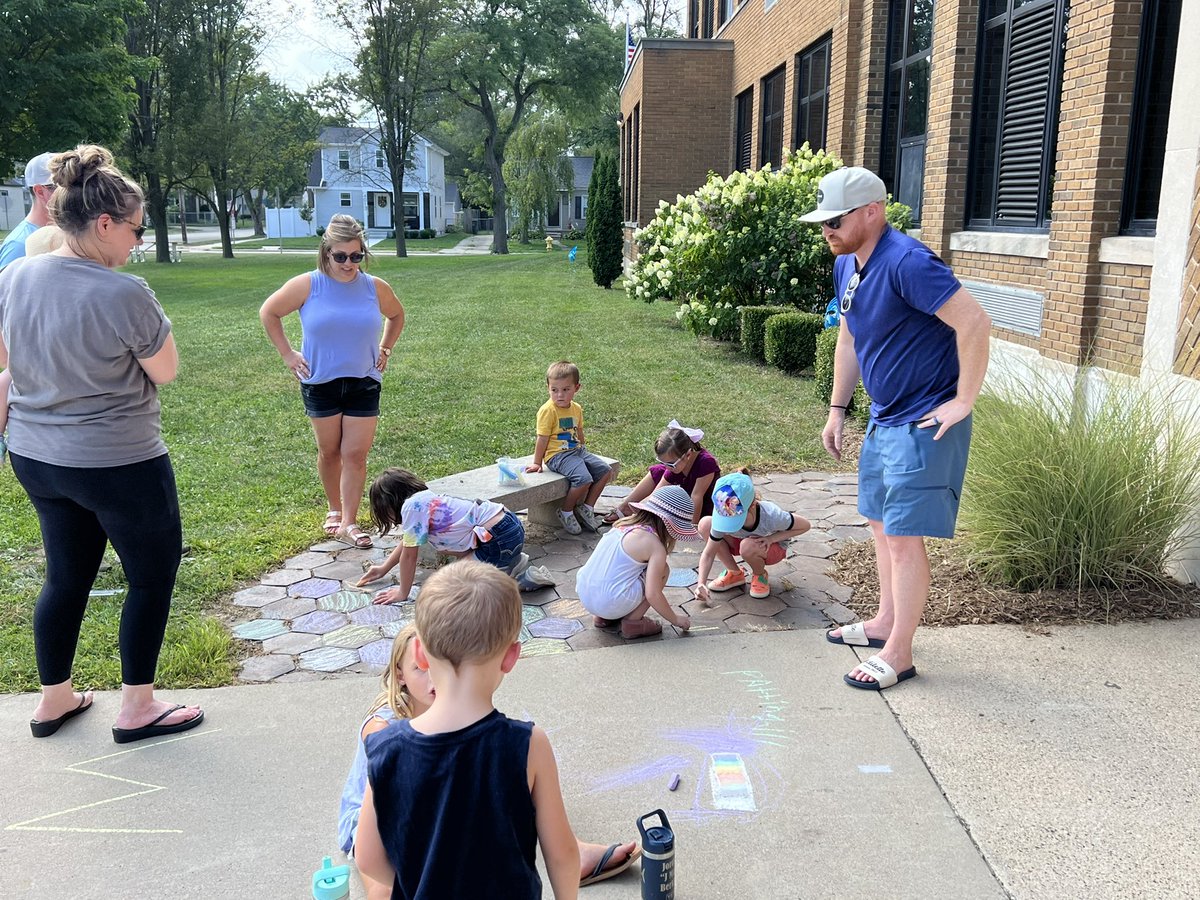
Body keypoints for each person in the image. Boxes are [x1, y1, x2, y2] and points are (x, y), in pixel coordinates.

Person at [0, 145, 203, 741]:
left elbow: (7, 361)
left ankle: (53, 699)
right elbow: (165, 371)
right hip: (118, 462)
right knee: (150, 574)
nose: (139, 242)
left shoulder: (13, 275)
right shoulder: (125, 293)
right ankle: (137, 707)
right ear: (105, 223)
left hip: (37, 458)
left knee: (65, 576)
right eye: (136, 229)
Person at [800, 166, 991, 691]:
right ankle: (884, 622)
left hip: (923, 418)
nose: (827, 230)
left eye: (835, 220)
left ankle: (899, 652)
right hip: (884, 417)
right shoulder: (848, 263)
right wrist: (837, 409)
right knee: (881, 526)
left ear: (872, 211)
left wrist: (963, 402)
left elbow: (973, 322)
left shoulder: (907, 261)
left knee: (904, 538)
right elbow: (850, 339)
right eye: (822, 222)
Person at [337, 624, 641, 899]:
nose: (432, 680)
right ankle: (568, 852)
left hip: (428, 804)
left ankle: (574, 850)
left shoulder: (458, 719)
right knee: (383, 892)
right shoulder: (383, 731)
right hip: (378, 816)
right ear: (402, 673)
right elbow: (376, 841)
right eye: (421, 669)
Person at [354, 560, 582, 899]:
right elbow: (562, 855)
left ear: (419, 652)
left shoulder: (386, 748)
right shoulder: (528, 745)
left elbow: (369, 860)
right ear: (510, 657)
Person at [260, 215, 405, 549]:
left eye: (356, 256)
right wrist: (287, 354)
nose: (349, 263)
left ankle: (350, 523)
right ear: (326, 252)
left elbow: (396, 315)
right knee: (329, 452)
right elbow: (269, 312)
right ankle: (334, 508)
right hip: (320, 381)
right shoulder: (307, 284)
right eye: (340, 256)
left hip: (364, 381)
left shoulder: (374, 287)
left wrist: (385, 347)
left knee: (355, 454)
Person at [356, 467, 556, 603]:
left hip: (498, 538)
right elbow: (408, 541)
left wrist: (402, 592)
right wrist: (384, 568)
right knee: (454, 569)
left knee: (455, 588)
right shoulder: (423, 499)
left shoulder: (412, 506)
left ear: (390, 502)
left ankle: (515, 581)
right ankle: (507, 563)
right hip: (508, 527)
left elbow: (410, 555)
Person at [576, 485, 697, 639]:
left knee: (625, 572)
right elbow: (653, 594)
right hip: (611, 602)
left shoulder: (621, 526)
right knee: (663, 571)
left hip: (586, 597)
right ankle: (632, 623)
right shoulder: (655, 546)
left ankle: (604, 617)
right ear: (671, 526)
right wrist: (676, 619)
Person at [525, 360, 612, 534]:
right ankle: (565, 511)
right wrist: (537, 462)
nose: (560, 395)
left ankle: (587, 507)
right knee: (584, 478)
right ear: (548, 388)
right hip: (557, 455)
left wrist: (583, 447)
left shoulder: (576, 408)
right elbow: (542, 438)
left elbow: (579, 430)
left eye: (566, 390)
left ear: (576, 388)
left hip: (576, 451)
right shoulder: (548, 411)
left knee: (605, 470)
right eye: (554, 390)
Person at [695, 470, 810, 601]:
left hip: (770, 547)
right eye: (727, 518)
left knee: (747, 546)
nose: (729, 522)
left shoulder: (772, 515)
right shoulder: (725, 510)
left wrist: (771, 539)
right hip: (742, 541)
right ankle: (735, 573)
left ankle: (760, 574)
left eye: (736, 518)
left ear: (753, 504)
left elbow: (805, 525)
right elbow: (708, 553)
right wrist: (701, 584)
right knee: (705, 524)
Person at [602, 421, 720, 525]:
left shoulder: (706, 463)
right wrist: (646, 513)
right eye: (664, 462)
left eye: (670, 464)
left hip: (704, 507)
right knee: (658, 471)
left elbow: (697, 497)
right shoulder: (676, 465)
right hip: (685, 498)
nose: (667, 467)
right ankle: (625, 507)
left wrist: (693, 527)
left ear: (688, 455)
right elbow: (657, 492)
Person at [0, 151, 58, 272]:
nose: (71, 192)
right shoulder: (18, 245)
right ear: (40, 191)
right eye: (61, 185)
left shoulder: (67, 232)